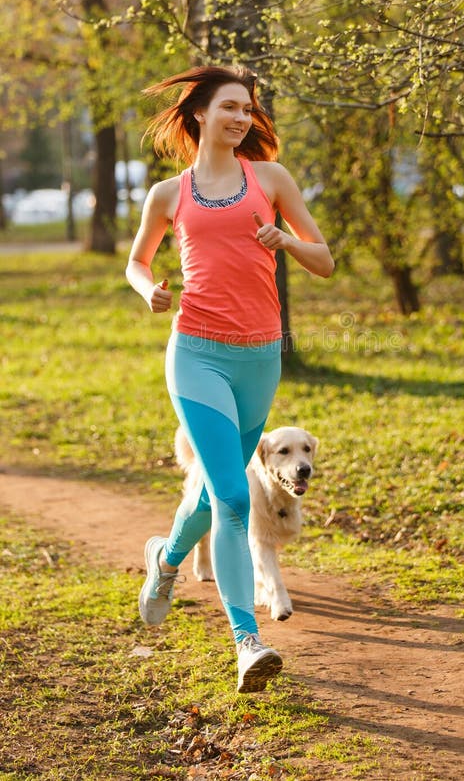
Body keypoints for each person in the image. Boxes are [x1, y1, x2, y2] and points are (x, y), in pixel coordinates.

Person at [126, 65, 334, 693]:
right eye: (230, 107)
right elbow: (137, 261)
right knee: (235, 497)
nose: (243, 117)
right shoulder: (169, 193)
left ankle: (164, 560)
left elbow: (323, 259)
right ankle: (248, 643)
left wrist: (285, 241)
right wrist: (149, 291)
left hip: (259, 357)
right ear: (199, 117)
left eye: (248, 108)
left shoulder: (270, 180)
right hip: (196, 355)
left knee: (210, 494)